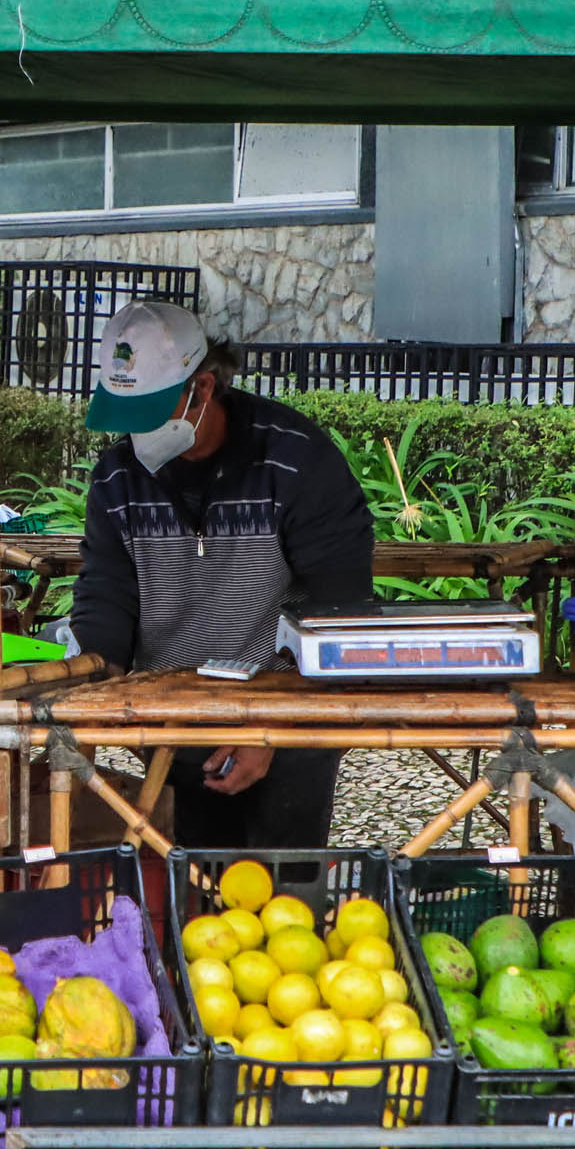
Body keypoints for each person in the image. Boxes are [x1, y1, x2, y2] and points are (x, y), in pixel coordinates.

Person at [69, 299, 373, 849]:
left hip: (290, 718)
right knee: (192, 903)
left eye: (152, 415)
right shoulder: (117, 479)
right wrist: (94, 687)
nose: (138, 437)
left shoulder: (298, 460)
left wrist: (271, 727)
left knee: (284, 903)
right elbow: (105, 595)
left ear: (204, 388)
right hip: (172, 723)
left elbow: (340, 610)